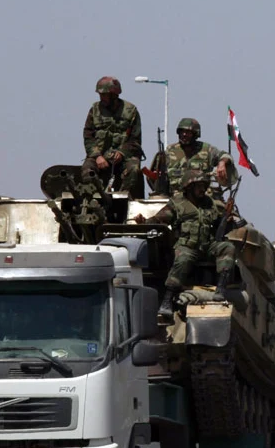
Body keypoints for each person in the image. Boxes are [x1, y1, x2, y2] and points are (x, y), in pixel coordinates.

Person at [136, 170, 236, 316]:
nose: (203, 189)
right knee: (182, 260)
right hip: (187, 247)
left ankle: (220, 290)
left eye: (204, 185)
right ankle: (167, 300)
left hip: (208, 246)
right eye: (199, 186)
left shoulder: (209, 204)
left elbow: (218, 225)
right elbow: (158, 221)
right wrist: (143, 223)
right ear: (189, 187)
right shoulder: (178, 203)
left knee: (228, 248)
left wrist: (227, 220)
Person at [82, 76, 143, 195]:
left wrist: (121, 152)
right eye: (100, 95)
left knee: (134, 168)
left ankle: (124, 197)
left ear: (114, 95)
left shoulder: (131, 111)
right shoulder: (94, 110)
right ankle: (92, 198)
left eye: (104, 95)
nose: (101, 98)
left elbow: (135, 140)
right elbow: (88, 136)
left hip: (124, 157)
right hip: (99, 156)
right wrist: (97, 156)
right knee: (87, 169)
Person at [150, 118, 237, 196]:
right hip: (176, 198)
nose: (184, 134)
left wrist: (222, 163)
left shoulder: (206, 150)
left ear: (195, 134)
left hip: (202, 197)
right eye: (182, 132)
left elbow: (225, 155)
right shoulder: (169, 151)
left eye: (188, 132)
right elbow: (152, 176)